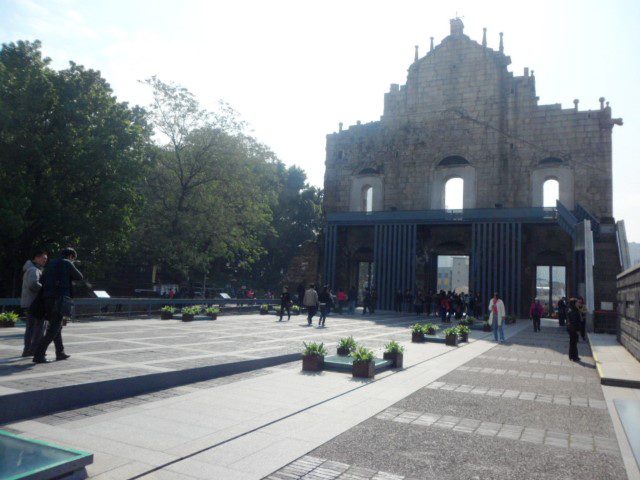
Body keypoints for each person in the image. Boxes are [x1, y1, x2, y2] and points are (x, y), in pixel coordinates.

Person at [33, 247, 83, 363]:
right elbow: (79, 277)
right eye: (73, 259)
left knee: (57, 326)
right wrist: (71, 265)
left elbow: (42, 280)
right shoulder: (67, 263)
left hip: (47, 299)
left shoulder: (50, 264)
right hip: (60, 299)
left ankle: (60, 352)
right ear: (71, 256)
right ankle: (38, 354)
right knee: (54, 328)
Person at [20, 249, 48, 357]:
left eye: (46, 259)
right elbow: (33, 284)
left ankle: (27, 350)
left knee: (30, 328)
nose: (45, 260)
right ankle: (34, 350)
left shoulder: (30, 269)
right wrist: (45, 288)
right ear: (36, 258)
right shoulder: (34, 270)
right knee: (38, 328)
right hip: (34, 303)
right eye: (43, 258)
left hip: (29, 303)